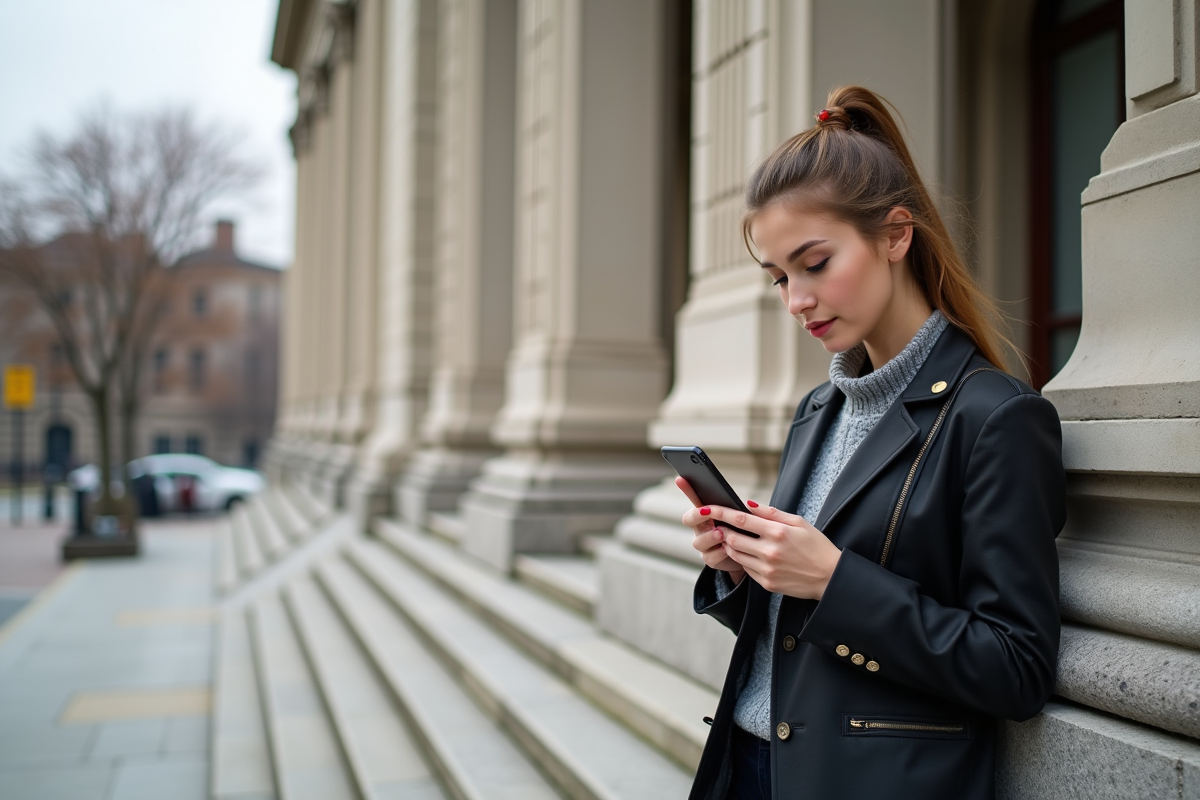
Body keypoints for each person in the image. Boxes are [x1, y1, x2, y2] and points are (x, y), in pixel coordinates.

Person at [676, 86, 1066, 800]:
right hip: (752, 766)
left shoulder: (996, 418)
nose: (796, 300)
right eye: (778, 279)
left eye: (815, 263)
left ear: (895, 235)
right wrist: (743, 568)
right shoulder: (818, 408)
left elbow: (1016, 667)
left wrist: (832, 578)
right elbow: (787, 634)